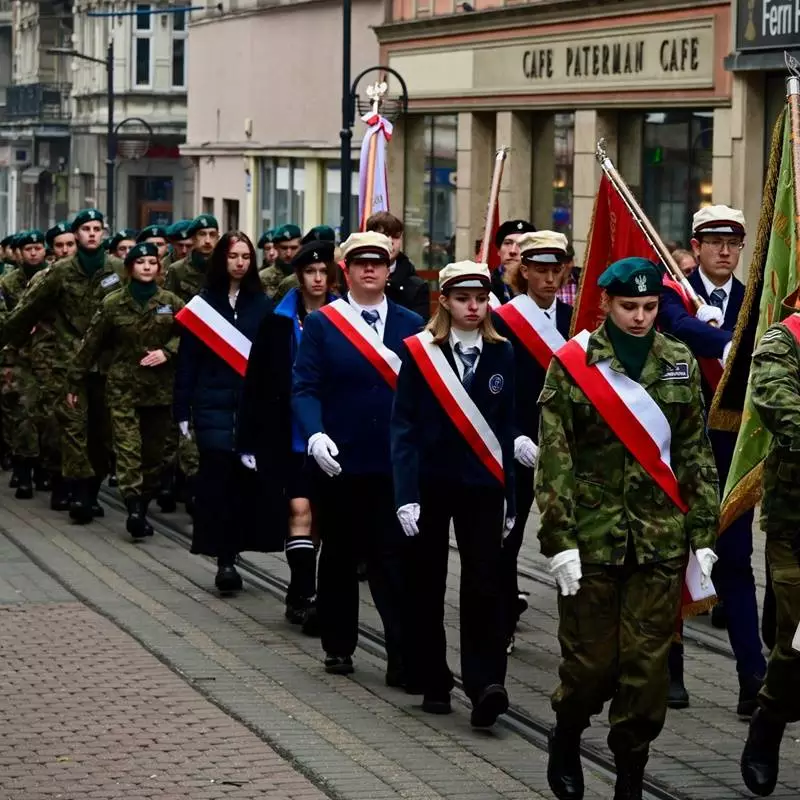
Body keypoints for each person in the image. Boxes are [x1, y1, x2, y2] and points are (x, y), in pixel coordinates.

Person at [537, 257, 719, 800]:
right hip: (592, 540)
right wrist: (559, 540)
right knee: (590, 668)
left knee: (645, 672)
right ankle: (567, 734)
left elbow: (694, 454)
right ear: (606, 306)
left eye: (647, 307)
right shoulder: (573, 365)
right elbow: (556, 458)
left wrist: (704, 535)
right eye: (628, 307)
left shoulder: (679, 361)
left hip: (660, 540)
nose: (640, 317)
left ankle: (630, 777)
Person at [292, 231, 423, 678]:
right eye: (360, 263)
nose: (370, 270)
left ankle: (402, 654)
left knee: (394, 559)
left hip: (392, 462)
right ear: (343, 270)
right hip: (341, 460)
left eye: (379, 263)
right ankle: (339, 643)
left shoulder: (411, 323)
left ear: (389, 270)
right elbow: (305, 387)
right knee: (340, 557)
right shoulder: (325, 324)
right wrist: (314, 434)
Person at [391, 260, 515, 728]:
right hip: (431, 483)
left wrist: (512, 500)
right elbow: (403, 426)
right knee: (426, 582)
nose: (473, 307)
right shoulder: (421, 353)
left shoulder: (502, 353)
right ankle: (434, 679)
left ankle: (485, 683)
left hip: (483, 486)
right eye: (463, 299)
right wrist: (405, 493)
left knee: (485, 583)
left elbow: (505, 429)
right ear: (444, 301)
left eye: (481, 299)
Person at [658, 205, 766, 716]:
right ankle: (671, 671)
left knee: (737, 563)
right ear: (695, 245)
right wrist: (722, 340)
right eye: (714, 241)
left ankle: (752, 676)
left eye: (734, 242)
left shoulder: (755, 300)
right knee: (673, 560)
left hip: (730, 454)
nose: (725, 251)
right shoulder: (671, 293)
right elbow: (674, 325)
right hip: (676, 451)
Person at [240, 239, 338, 634]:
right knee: (299, 511)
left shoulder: (341, 318)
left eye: (323, 273)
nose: (317, 279)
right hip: (288, 433)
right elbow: (256, 381)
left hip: (330, 432)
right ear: (298, 277)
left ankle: (304, 591)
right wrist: (247, 438)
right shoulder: (277, 320)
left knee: (320, 520)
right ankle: (304, 592)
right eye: (310, 273)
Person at [174, 231, 281, 592]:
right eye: (233, 255)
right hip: (211, 407)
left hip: (250, 409)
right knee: (217, 482)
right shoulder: (202, 305)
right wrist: (182, 408)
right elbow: (187, 361)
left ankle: (236, 551)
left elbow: (270, 363)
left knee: (243, 486)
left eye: (246, 256)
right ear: (222, 259)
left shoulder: (263, 305)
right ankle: (224, 560)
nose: (240, 262)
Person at [0, 209, 124, 521]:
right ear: (77, 234)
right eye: (86, 229)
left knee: (101, 432)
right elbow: (28, 309)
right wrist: (7, 340)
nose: (92, 234)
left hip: (106, 365)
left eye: (98, 228)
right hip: (67, 365)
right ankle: (76, 492)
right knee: (71, 429)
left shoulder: (119, 270)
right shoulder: (60, 272)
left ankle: (93, 491)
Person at [66, 242, 184, 539]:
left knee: (155, 455)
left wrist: (168, 352)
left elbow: (191, 336)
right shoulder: (112, 303)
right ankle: (135, 510)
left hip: (159, 390)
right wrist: (74, 381)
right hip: (123, 389)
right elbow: (89, 345)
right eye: (140, 262)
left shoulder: (171, 301)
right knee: (128, 450)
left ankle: (143, 501)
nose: (147, 266)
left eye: (152, 262)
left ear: (158, 268)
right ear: (129, 268)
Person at [492, 231, 573, 652]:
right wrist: (514, 437)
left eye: (556, 269)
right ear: (524, 271)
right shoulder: (504, 320)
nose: (549, 278)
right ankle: (502, 621)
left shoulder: (573, 320)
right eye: (540, 269)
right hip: (519, 444)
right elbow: (493, 393)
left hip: (565, 447)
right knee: (509, 532)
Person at [739, 310, 800, 796]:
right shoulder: (784, 339)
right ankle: (771, 717)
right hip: (796, 522)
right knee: (799, 638)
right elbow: (777, 405)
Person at [0, 230, 49, 499]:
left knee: (47, 415)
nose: (33, 253)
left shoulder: (53, 277)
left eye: (38, 248)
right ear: (20, 253)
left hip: (50, 356)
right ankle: (23, 468)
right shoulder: (8, 283)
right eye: (28, 248)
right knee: (21, 415)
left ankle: (43, 467)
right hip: (19, 357)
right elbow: (5, 319)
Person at [366, 212, 430, 321]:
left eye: (396, 236)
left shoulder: (417, 286)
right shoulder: (353, 277)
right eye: (385, 235)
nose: (390, 241)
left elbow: (419, 329)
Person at [491, 220, 536, 305]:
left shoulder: (538, 285)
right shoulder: (486, 286)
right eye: (507, 243)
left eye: (521, 245)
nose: (513, 251)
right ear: (498, 251)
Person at [260, 224, 301, 298]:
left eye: (294, 248)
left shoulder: (306, 275)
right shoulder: (263, 278)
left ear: (301, 247)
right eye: (284, 248)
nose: (289, 253)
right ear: (276, 247)